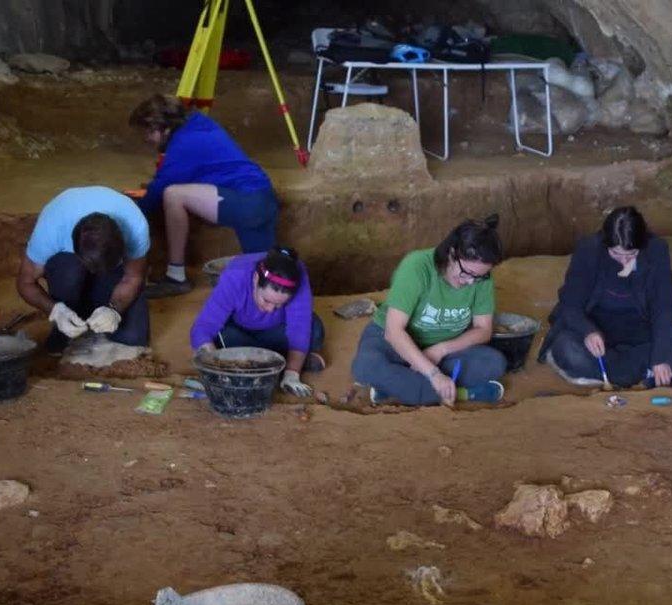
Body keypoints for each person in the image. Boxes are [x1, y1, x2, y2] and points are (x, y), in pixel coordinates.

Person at [129, 94, 279, 298]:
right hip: (261, 198)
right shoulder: (199, 123)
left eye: (148, 132)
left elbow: (158, 191)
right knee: (268, 273)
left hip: (246, 203)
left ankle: (176, 277)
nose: (146, 139)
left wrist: (128, 213)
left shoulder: (183, 144)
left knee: (173, 194)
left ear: (162, 128)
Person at [538, 206, 672, 388]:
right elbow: (570, 304)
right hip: (596, 325)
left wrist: (660, 357)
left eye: (631, 254)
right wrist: (588, 331)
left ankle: (608, 374)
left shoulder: (656, 250)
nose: (624, 261)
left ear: (641, 245)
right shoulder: (589, 249)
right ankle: (643, 375)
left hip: (639, 328)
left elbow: (663, 308)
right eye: (615, 254)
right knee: (568, 348)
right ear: (606, 243)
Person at [351, 216, 507, 406]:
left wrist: (440, 350)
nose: (471, 282)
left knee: (493, 363)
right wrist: (433, 374)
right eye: (467, 273)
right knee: (367, 365)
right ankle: (463, 394)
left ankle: (401, 388)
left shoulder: (482, 279)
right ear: (452, 253)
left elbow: (483, 330)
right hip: (394, 343)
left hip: (444, 348)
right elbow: (393, 332)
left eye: (479, 277)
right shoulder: (417, 267)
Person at [16, 186, 151, 353]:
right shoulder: (52, 227)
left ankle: (92, 310)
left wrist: (114, 309)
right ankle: (68, 318)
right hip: (69, 269)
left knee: (132, 338)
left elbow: (133, 277)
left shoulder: (135, 226)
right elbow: (25, 282)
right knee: (68, 269)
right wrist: (55, 310)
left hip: (113, 275)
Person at [190, 247, 325, 397]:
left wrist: (292, 375)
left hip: (276, 330)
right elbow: (202, 329)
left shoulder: (298, 276)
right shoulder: (235, 275)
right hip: (240, 332)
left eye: (279, 304)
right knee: (220, 336)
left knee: (314, 328)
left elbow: (299, 326)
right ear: (255, 279)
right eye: (266, 300)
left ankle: (273, 363)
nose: (270, 309)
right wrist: (216, 370)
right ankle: (280, 360)